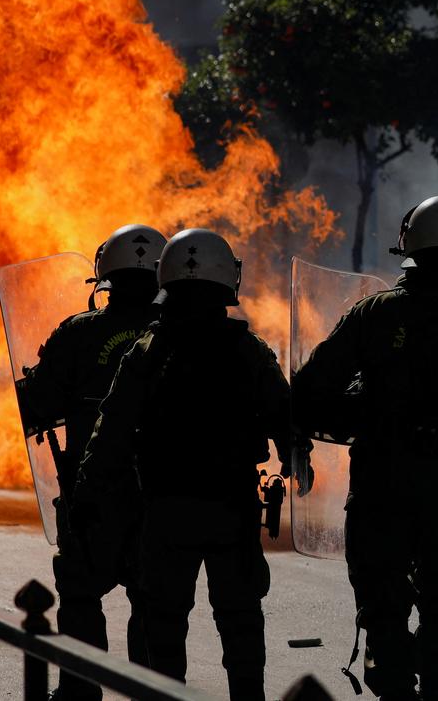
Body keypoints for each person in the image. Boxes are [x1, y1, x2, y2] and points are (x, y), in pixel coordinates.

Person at [290, 196, 438, 701]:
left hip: (382, 490)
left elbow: (312, 388)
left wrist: (361, 409)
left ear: (411, 246)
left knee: (383, 603)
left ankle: (394, 688)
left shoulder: (376, 314)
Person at [73, 228, 291, 701]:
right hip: (232, 509)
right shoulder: (247, 350)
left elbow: (110, 429)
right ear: (226, 282)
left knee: (163, 623)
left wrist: (88, 493)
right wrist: (297, 459)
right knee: (240, 622)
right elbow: (284, 416)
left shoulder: (149, 351)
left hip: (167, 509)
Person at [16, 223, 165, 701]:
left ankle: (80, 693)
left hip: (91, 493)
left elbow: (38, 401)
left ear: (106, 276)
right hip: (158, 494)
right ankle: (152, 690)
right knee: (153, 604)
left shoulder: (79, 333)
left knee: (80, 597)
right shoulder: (179, 334)